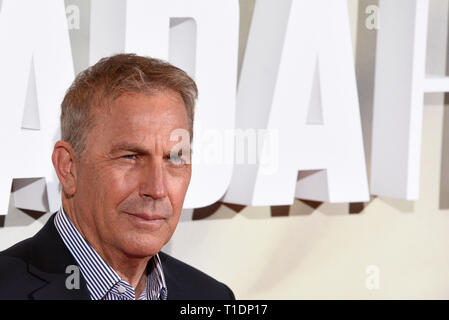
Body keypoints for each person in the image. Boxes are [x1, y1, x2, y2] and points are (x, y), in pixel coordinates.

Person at [0, 54, 235, 300]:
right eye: (131, 157)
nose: (156, 189)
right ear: (68, 167)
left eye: (174, 159)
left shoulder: (211, 296)